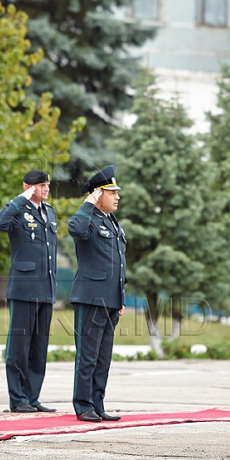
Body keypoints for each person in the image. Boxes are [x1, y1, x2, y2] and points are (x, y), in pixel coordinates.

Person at [0, 170, 58, 413]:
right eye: (41, 185)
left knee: (39, 347)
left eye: (47, 184)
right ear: (28, 187)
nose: (46, 188)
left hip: (46, 288)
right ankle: (18, 398)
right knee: (19, 346)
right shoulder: (18, 209)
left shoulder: (49, 211)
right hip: (24, 288)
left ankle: (32, 396)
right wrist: (20, 198)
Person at [68, 165, 126, 423]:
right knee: (88, 356)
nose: (117, 196)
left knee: (103, 358)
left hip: (111, 300)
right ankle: (83, 405)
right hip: (90, 297)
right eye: (111, 192)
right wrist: (88, 202)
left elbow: (119, 264)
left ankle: (98, 404)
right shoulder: (88, 218)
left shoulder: (113, 223)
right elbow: (76, 230)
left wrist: (121, 298)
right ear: (98, 194)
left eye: (117, 192)